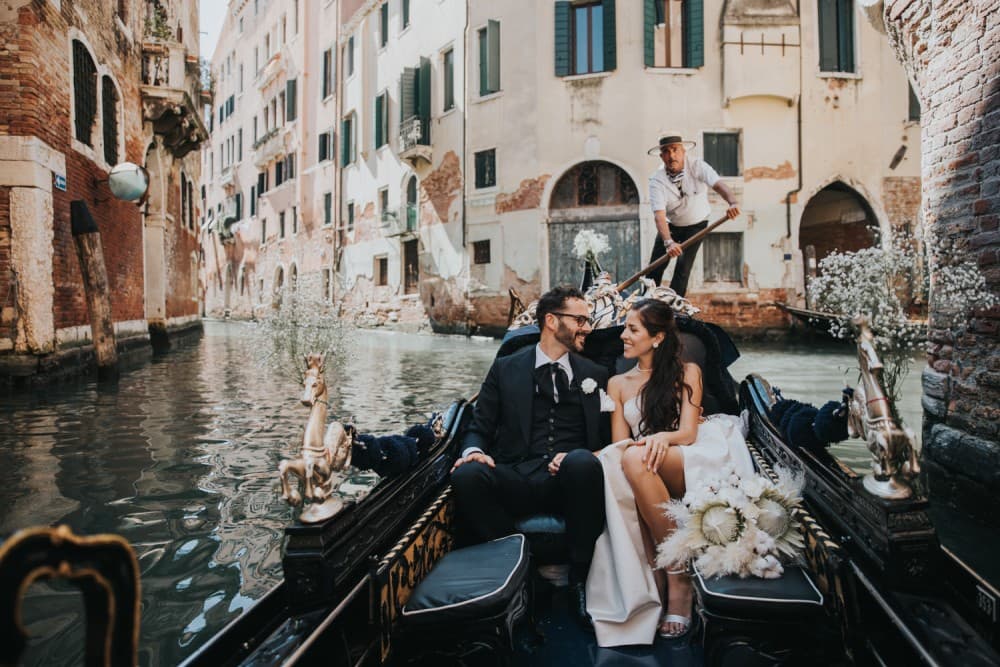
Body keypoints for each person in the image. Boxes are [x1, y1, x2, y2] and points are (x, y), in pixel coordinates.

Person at [586, 299, 754, 646]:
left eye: (632, 329)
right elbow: (621, 444)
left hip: (691, 452)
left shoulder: (688, 371)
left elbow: (689, 433)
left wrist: (660, 437)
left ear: (658, 337)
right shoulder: (618, 383)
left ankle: (677, 577)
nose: (623, 336)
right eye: (625, 328)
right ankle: (654, 578)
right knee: (621, 462)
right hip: (645, 459)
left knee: (635, 459)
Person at [451, 285, 610, 628]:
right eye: (580, 319)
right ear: (551, 321)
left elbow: (610, 440)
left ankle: (580, 580)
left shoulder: (595, 375)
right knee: (466, 475)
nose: (587, 327)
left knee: (584, 463)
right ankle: (524, 572)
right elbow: (479, 426)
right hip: (516, 476)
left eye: (588, 319)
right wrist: (475, 451)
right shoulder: (505, 368)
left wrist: (578, 453)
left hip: (568, 481)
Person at [647, 135, 741, 296]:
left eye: (675, 150)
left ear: (683, 151)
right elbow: (659, 216)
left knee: (683, 268)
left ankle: (675, 307)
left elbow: (718, 185)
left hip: (697, 225)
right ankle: (645, 302)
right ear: (661, 156)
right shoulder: (656, 180)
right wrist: (669, 242)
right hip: (671, 226)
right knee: (655, 266)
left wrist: (732, 202)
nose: (671, 156)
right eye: (666, 152)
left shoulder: (697, 166)